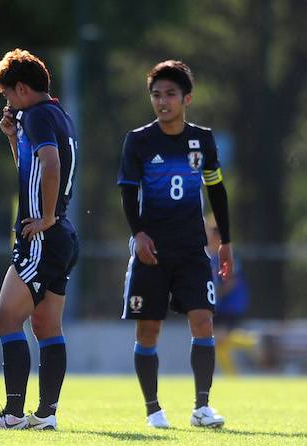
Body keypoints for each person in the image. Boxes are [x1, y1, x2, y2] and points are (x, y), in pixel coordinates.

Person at [118, 60, 232, 429]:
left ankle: (202, 408)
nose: (162, 101)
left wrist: (226, 242)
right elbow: (127, 192)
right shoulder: (138, 140)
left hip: (192, 251)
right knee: (148, 331)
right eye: (156, 94)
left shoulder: (204, 140)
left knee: (203, 321)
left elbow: (215, 188)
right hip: (152, 253)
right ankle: (153, 410)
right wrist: (138, 235)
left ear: (187, 99)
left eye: (170, 94)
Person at [0, 49, 79, 431]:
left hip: (43, 236)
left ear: (21, 88)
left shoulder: (35, 115)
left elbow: (50, 163)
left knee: (5, 320)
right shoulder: (57, 114)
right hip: (63, 235)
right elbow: (33, 167)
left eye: (7, 96)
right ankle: (46, 414)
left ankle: (14, 413)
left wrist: (47, 217)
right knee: (47, 326)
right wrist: (11, 137)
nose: (8, 103)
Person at [205, 213, 255, 375]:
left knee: (219, 338)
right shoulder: (211, 256)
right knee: (218, 342)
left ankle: (255, 344)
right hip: (220, 306)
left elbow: (231, 282)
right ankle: (231, 378)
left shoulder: (227, 254)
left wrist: (213, 296)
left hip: (231, 305)